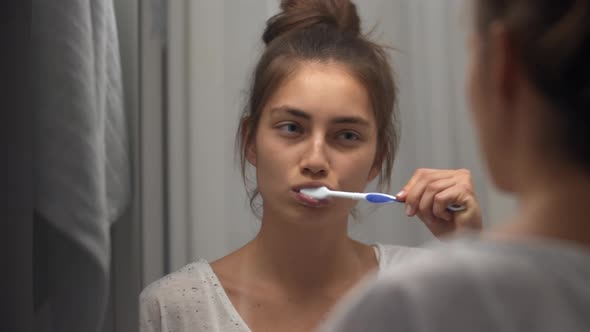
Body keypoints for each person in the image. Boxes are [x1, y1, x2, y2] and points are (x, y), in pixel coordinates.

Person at [139, 1, 482, 331]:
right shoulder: (173, 309)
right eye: (292, 128)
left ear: (377, 158)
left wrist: (473, 258)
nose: (316, 160)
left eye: (346, 135)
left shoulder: (425, 289)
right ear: (250, 142)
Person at [319, 0, 590, 331]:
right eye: (291, 128)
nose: (315, 160)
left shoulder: (411, 306)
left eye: (472, 51)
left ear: (502, 65)